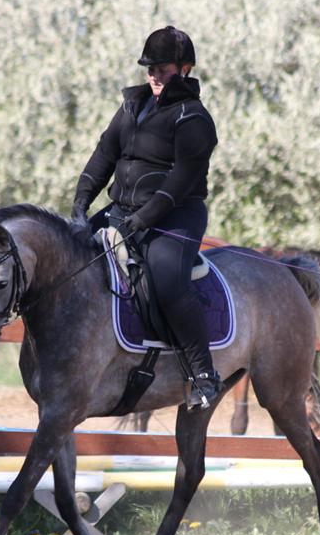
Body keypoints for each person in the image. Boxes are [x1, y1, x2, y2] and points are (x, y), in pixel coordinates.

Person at [71, 25, 222, 409]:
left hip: (175, 216)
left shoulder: (194, 118)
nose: (154, 75)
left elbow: (179, 181)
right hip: (123, 211)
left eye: (163, 69)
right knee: (71, 255)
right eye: (150, 68)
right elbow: (105, 154)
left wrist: (143, 219)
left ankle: (204, 374)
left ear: (184, 69)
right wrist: (81, 202)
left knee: (167, 282)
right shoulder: (132, 106)